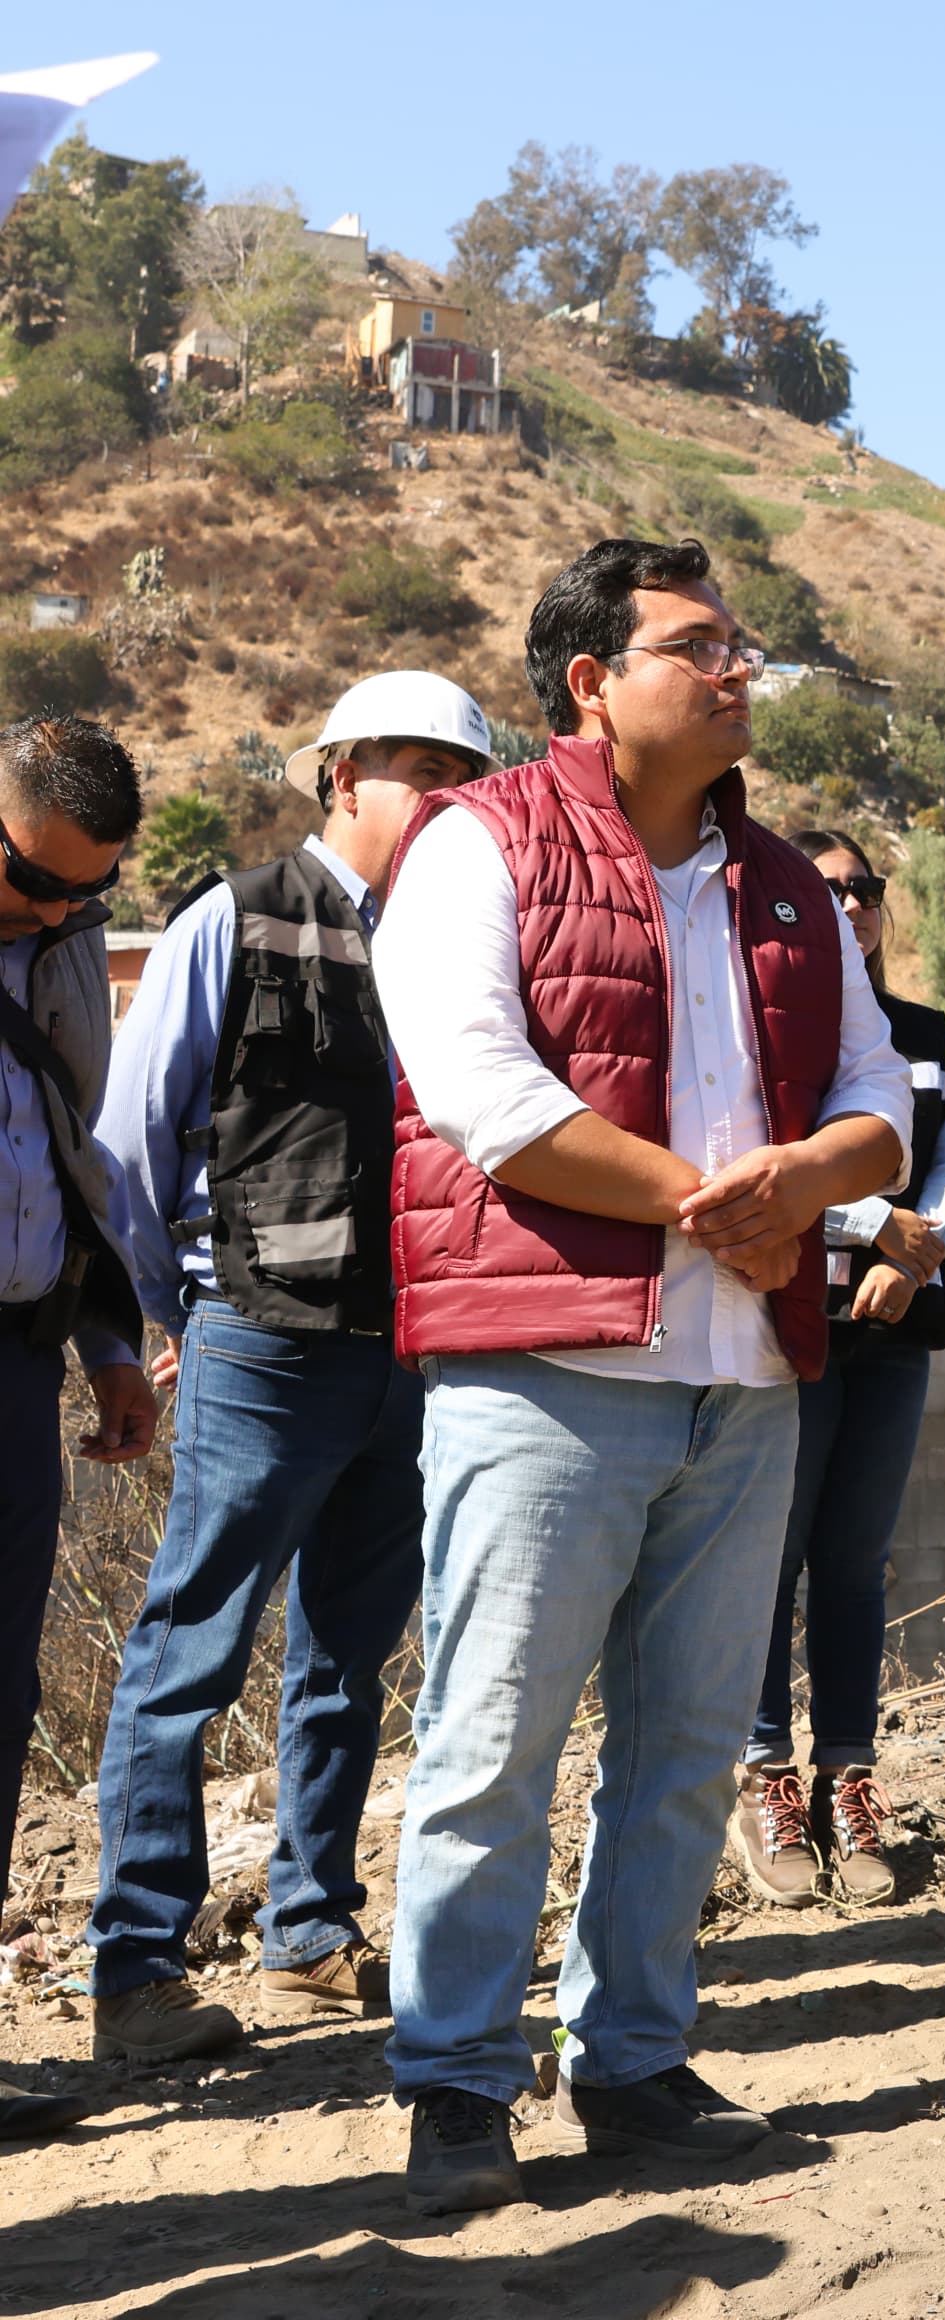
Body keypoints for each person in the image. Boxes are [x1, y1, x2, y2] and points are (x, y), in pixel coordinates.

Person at [373, 537, 912, 2216]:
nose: (739, 669)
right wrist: (719, 1199)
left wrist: (812, 1184)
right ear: (591, 682)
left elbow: (890, 1106)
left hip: (744, 1379)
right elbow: (483, 1094)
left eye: (743, 644)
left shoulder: (791, 892)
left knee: (683, 1750)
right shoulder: (483, 846)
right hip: (545, 1371)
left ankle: (634, 2062)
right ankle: (458, 2080)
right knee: (490, 1747)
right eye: (698, 645)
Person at [83, 673, 488, 2072]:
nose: (440, 798)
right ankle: (134, 1968)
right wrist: (163, 1311)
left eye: (461, 774)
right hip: (264, 1344)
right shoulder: (235, 918)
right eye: (413, 769)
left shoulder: (466, 944)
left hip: (413, 1345)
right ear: (341, 777)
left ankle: (311, 1932)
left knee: (347, 1659)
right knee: (191, 1649)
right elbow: (131, 1145)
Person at [728, 830, 945, 1912]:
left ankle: (848, 1775)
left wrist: (915, 1263)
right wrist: (872, 1225)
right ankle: (763, 1771)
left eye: (865, 890)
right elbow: (757, 1160)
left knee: (855, 1557)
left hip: (892, 1324)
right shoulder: (767, 1014)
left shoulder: (919, 1031)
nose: (852, 905)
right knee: (770, 1557)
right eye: (828, 890)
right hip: (789, 1314)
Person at [0, 715, 155, 2140]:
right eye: (33, 881)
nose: (56, 912)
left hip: (18, 1359)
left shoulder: (58, 950)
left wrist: (110, 1342)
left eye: (84, 897)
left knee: (2, 1701)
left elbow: (81, 1159)